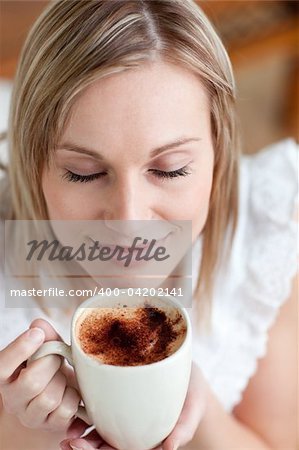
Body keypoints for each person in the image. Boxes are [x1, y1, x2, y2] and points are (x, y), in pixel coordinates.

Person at [0, 1, 297, 449]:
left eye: (171, 169)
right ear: (31, 164)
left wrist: (193, 416)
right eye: (84, 173)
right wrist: (28, 429)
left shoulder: (264, 238)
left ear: (220, 157)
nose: (128, 220)